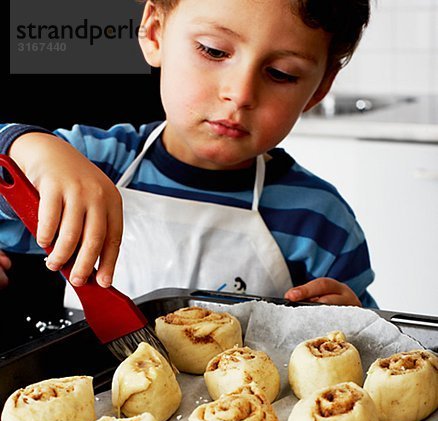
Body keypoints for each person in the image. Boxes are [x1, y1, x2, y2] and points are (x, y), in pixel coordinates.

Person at [0, 0, 376, 308]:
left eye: (281, 73)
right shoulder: (93, 164)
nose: (240, 93)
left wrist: (354, 327)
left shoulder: (321, 222)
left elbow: (380, 351)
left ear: (319, 87)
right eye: (213, 51)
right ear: (155, 33)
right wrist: (29, 147)